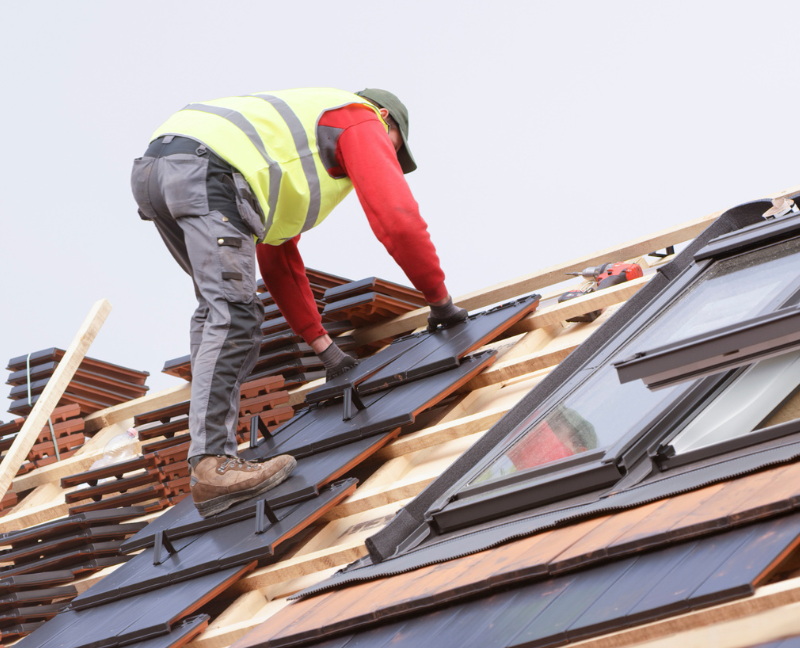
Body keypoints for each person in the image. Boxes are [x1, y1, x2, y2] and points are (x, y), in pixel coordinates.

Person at [130, 87, 467, 518]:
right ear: (386, 119)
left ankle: (210, 460)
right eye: (395, 147)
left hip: (161, 171)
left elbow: (279, 259)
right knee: (232, 313)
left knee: (219, 309)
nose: (389, 158)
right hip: (206, 168)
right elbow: (397, 220)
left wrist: (324, 348)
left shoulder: (285, 163)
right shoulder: (359, 118)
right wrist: (439, 301)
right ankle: (213, 465)